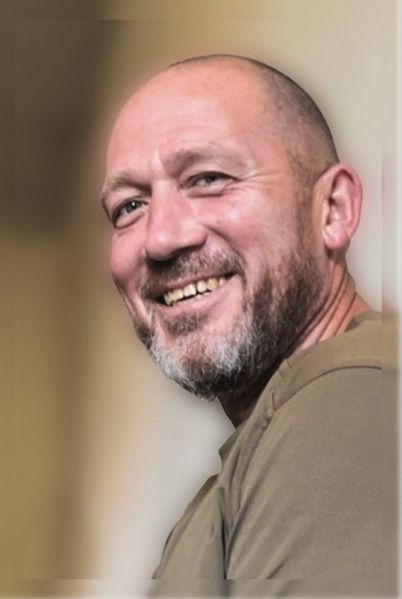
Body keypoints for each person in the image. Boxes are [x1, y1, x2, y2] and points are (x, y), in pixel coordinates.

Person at [101, 54, 381, 581]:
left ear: (333, 209)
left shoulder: (356, 399)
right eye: (129, 207)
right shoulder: (259, 458)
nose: (161, 238)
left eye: (208, 178)